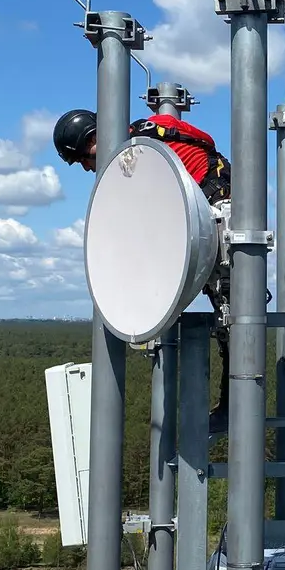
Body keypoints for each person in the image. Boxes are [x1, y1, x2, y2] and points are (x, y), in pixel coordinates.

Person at [53, 108, 237, 432]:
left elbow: (199, 148)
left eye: (84, 156)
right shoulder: (142, 142)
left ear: (94, 138)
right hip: (202, 202)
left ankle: (236, 402)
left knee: (233, 315)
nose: (85, 167)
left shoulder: (142, 148)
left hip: (217, 201)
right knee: (229, 314)